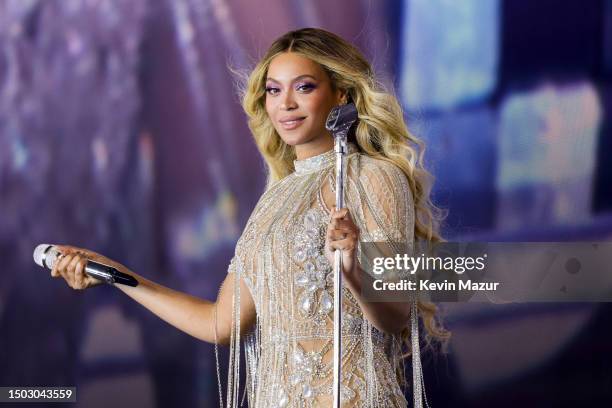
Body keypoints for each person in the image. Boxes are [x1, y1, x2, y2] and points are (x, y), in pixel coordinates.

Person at [51, 28, 448, 408]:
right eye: (274, 90)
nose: (285, 104)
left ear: (339, 93)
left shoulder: (375, 177)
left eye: (304, 87)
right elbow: (220, 324)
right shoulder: (274, 198)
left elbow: (396, 315)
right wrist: (114, 273)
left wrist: (354, 274)